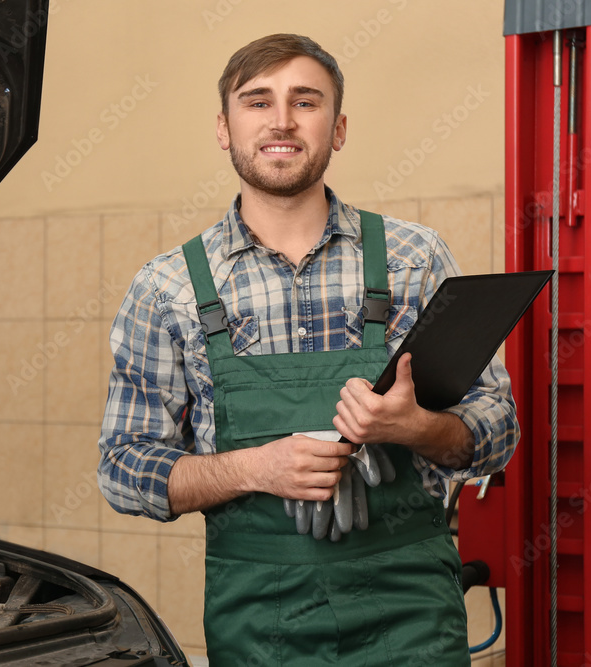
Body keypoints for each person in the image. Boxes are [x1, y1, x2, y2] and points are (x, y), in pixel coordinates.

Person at [97, 33, 518, 666]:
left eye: (306, 101)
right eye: (258, 101)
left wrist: (418, 427)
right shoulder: (169, 288)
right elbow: (122, 469)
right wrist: (252, 469)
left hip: (412, 618)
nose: (282, 121)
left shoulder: (413, 259)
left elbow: (500, 428)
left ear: (338, 127)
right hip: (261, 628)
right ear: (224, 126)